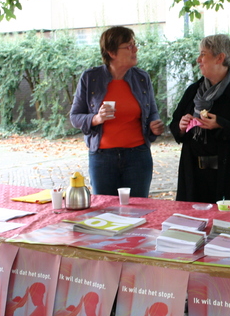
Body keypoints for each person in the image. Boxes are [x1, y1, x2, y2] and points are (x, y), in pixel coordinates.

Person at [70, 26, 165, 197]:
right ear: (111, 52)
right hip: (102, 158)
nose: (135, 49)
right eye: (129, 46)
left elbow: (152, 112)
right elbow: (75, 117)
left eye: (134, 44)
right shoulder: (90, 78)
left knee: (137, 210)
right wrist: (96, 118)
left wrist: (154, 124)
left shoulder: (142, 78)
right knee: (105, 210)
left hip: (138, 157)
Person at [169, 34, 230, 206]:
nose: (198, 60)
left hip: (227, 174)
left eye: (203, 54)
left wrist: (221, 124)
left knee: (224, 223)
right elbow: (174, 124)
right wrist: (181, 126)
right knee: (191, 221)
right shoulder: (193, 90)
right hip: (193, 173)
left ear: (220, 58)